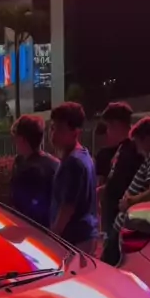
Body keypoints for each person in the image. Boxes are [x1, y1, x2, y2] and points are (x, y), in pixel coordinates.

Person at [49, 102, 98, 253]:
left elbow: (67, 208)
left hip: (74, 241)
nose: (53, 134)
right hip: (86, 236)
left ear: (75, 133)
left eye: (60, 129)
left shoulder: (73, 163)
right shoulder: (85, 156)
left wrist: (53, 236)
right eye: (53, 128)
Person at [99, 102, 143, 265]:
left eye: (109, 127)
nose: (108, 132)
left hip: (121, 223)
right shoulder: (122, 148)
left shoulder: (134, 150)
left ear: (116, 125)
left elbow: (129, 184)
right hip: (112, 221)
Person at [10, 114, 59, 227]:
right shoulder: (55, 163)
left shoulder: (27, 171)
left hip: (31, 229)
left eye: (16, 138)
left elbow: (19, 207)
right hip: (53, 230)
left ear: (22, 139)